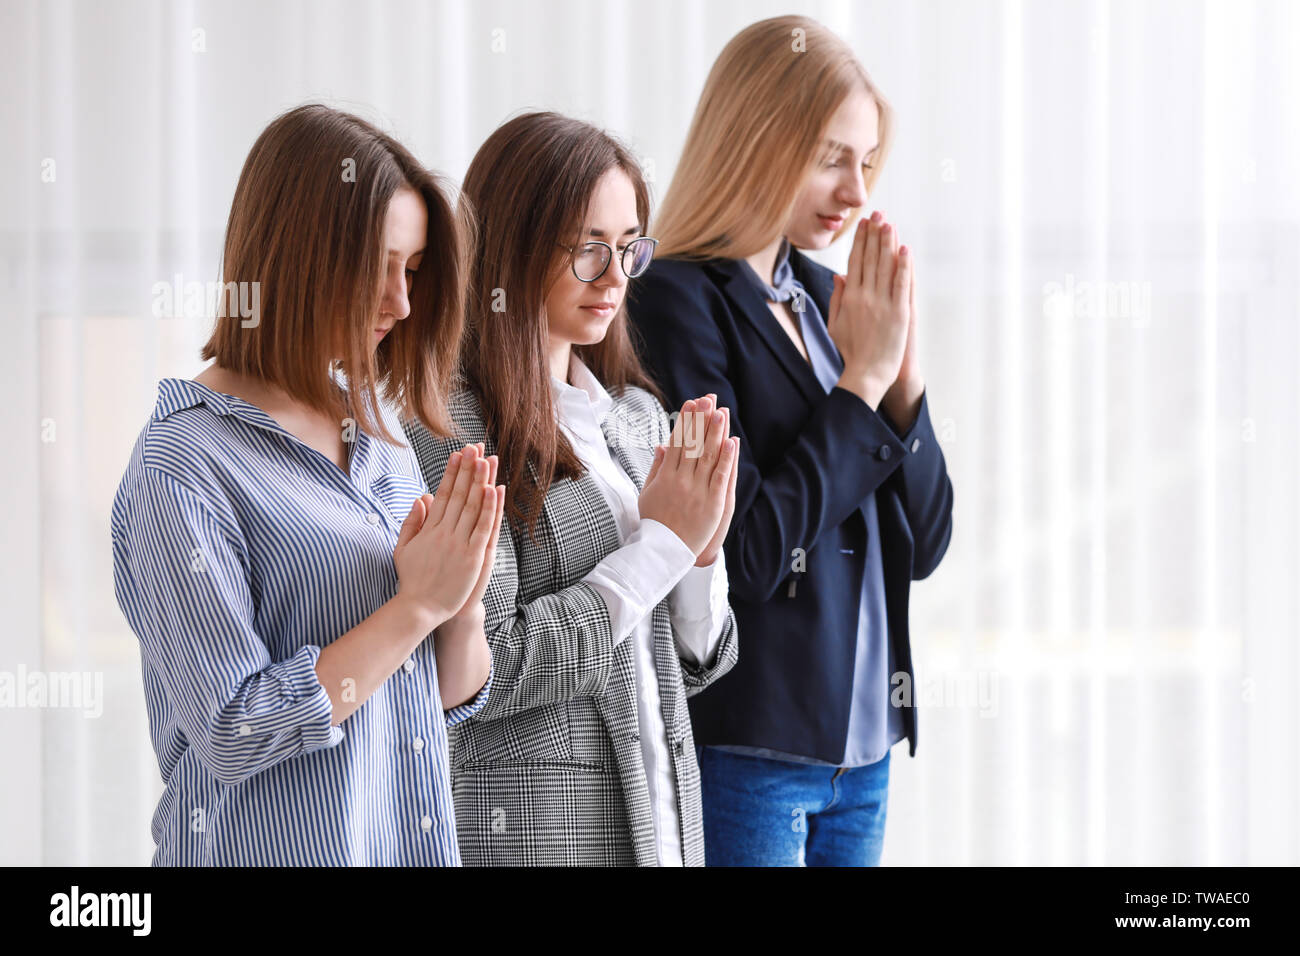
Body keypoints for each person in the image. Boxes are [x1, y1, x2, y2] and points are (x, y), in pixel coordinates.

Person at [111, 104, 503, 865]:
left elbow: (441, 698)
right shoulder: (182, 465)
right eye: (378, 268)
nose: (401, 303)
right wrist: (414, 602)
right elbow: (235, 730)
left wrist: (461, 601)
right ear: (294, 255)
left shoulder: (380, 439)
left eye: (414, 270)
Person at [627, 15, 955, 866]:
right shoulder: (673, 298)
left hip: (866, 751)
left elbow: (926, 544)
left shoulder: (829, 298)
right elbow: (742, 552)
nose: (857, 194)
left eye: (867, 163)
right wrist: (859, 387)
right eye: (832, 157)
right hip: (752, 750)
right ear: (756, 139)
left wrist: (902, 381)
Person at [405, 111, 740, 865]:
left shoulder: (637, 418)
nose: (616, 277)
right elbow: (489, 668)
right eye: (589, 250)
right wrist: (661, 544)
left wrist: (700, 554)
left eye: (628, 249)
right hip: (536, 837)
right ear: (513, 245)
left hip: (661, 823)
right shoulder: (452, 422)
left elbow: (697, 661)